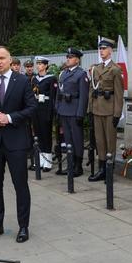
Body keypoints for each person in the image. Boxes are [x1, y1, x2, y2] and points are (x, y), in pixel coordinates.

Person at [0, 46, 36, 243]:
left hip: (16, 142)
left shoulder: (22, 82)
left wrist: (9, 118)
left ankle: (23, 226)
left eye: (2, 58)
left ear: (10, 60)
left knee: (20, 185)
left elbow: (31, 108)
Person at [88, 38, 125, 182]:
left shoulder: (115, 69)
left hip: (110, 111)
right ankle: (101, 169)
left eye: (104, 49)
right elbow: (92, 90)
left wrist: (117, 114)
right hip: (97, 110)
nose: (101, 51)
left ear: (110, 50)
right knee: (100, 141)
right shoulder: (96, 69)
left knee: (110, 141)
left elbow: (119, 94)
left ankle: (109, 170)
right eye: (100, 49)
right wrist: (90, 110)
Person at [55, 48, 89, 177]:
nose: (68, 59)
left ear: (77, 60)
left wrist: (80, 114)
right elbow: (59, 94)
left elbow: (84, 97)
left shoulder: (81, 74)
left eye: (71, 57)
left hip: (74, 111)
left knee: (77, 139)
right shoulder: (63, 74)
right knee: (68, 139)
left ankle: (78, 166)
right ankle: (70, 165)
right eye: (67, 57)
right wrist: (57, 108)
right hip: (64, 110)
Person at [30, 56, 58, 172]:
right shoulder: (34, 79)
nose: (38, 66)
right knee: (38, 135)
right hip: (36, 109)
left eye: (41, 64)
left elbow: (53, 97)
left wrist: (51, 112)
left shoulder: (51, 79)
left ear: (46, 66)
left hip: (46, 109)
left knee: (46, 135)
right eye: (38, 64)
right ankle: (40, 160)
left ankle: (47, 162)